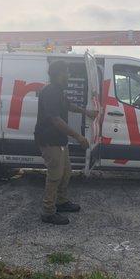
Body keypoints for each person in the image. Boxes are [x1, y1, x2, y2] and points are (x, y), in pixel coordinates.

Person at [35, 60, 97, 225]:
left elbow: (68, 105)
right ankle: (48, 212)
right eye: (67, 72)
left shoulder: (58, 91)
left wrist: (86, 112)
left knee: (66, 171)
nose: (69, 75)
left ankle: (61, 202)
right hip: (49, 140)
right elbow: (55, 119)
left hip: (59, 140)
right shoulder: (49, 92)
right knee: (55, 175)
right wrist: (78, 136)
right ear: (59, 73)